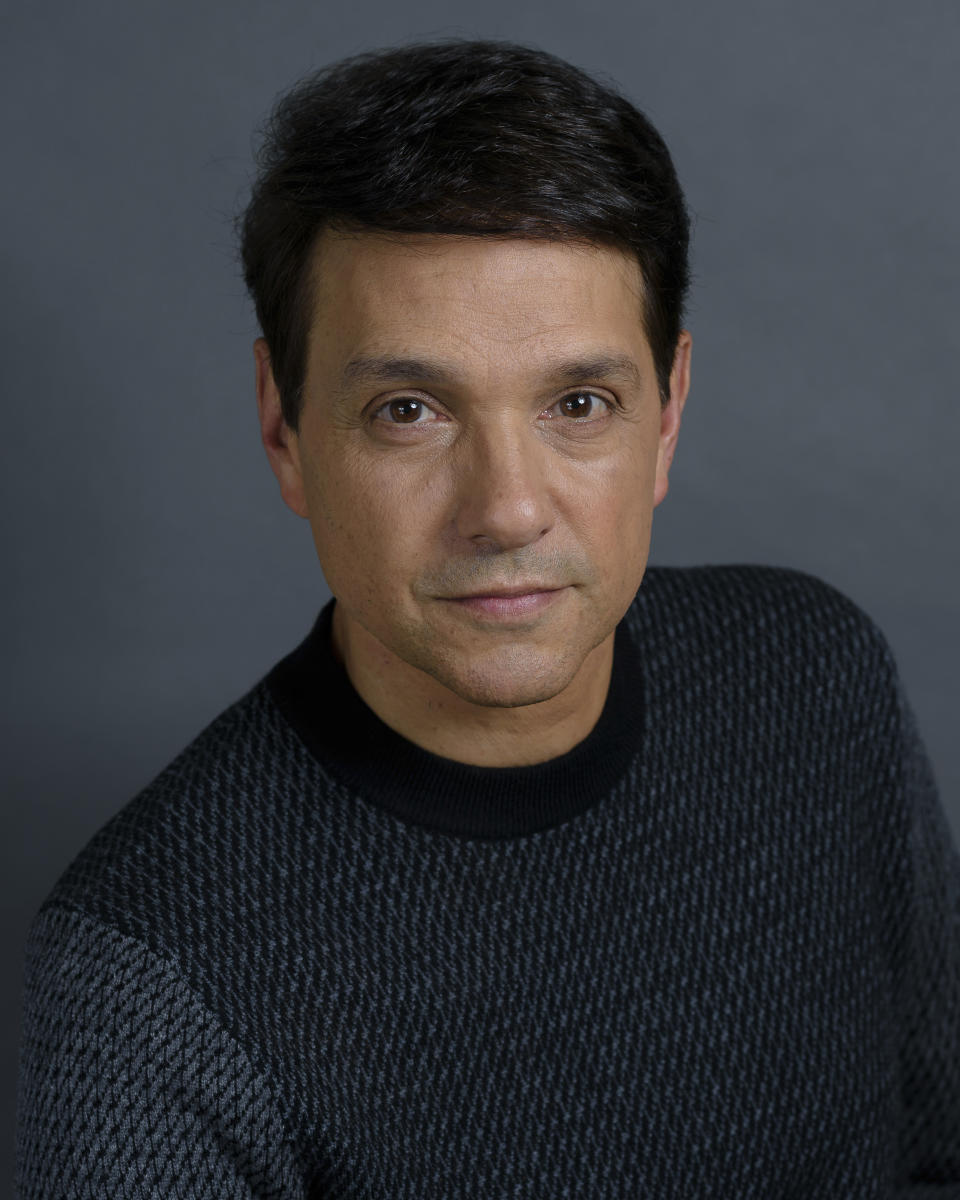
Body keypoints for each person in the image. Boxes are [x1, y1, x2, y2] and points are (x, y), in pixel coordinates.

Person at [16, 38, 959, 1198]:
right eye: (409, 410)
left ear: (664, 420)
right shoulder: (144, 983)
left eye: (578, 403)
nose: (508, 510)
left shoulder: (816, 677)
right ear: (285, 430)